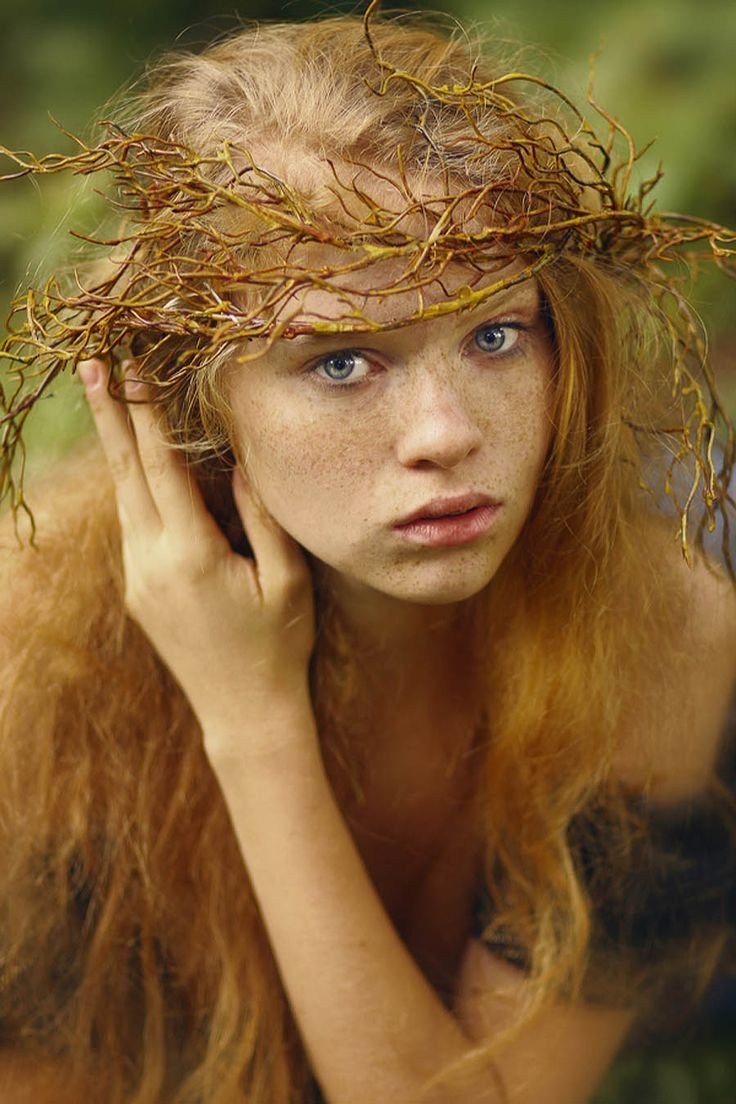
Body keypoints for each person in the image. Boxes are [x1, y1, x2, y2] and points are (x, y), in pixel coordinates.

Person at [0, 8, 734, 1103]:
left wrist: (254, 727)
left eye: (494, 335)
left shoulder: (657, 622)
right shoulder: (36, 656)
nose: (445, 432)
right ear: (188, 395)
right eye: (341, 361)